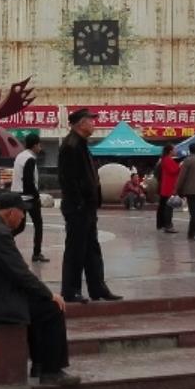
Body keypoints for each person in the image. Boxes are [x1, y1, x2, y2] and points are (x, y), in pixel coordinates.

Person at [0, 192, 79, 385]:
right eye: (21, 213)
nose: (23, 217)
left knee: (35, 303)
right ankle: (51, 371)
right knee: (51, 308)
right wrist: (50, 295)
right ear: (10, 213)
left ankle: (40, 364)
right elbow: (21, 273)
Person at [57, 109, 122, 303]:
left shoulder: (82, 144)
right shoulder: (70, 146)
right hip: (78, 207)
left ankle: (98, 288)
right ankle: (70, 291)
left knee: (92, 248)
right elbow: (67, 180)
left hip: (87, 207)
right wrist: (78, 203)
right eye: (91, 121)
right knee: (75, 249)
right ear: (81, 123)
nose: (94, 124)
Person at [10, 133, 49, 262]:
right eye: (39, 144)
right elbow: (28, 180)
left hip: (17, 195)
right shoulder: (30, 159)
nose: (40, 147)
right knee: (38, 224)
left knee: (20, 226)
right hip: (28, 197)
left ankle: (3, 240)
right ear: (35, 145)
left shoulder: (20, 156)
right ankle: (36, 253)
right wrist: (36, 196)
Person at [156, 144, 180, 234]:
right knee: (168, 208)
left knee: (164, 206)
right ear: (170, 151)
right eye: (174, 149)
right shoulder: (167, 160)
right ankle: (168, 225)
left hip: (166, 186)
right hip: (168, 187)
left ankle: (162, 224)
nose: (176, 151)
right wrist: (180, 165)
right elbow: (173, 171)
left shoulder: (165, 160)